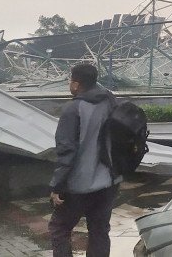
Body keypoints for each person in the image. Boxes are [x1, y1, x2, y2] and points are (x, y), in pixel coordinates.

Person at [48, 63, 121, 257]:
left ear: (76, 84)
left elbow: (67, 152)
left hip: (79, 185)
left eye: (70, 81)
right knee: (99, 230)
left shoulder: (73, 110)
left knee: (59, 228)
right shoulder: (110, 101)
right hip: (109, 181)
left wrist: (57, 187)